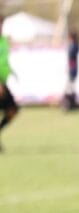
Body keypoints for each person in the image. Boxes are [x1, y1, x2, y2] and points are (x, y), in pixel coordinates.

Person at [0, 15, 20, 153]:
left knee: (13, 110)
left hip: (3, 81)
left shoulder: (4, 41)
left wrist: (12, 71)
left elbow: (4, 61)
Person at [64, 31, 79, 111]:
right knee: (70, 87)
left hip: (72, 69)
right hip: (72, 68)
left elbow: (71, 57)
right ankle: (71, 104)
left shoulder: (74, 46)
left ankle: (69, 104)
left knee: (69, 87)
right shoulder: (74, 46)